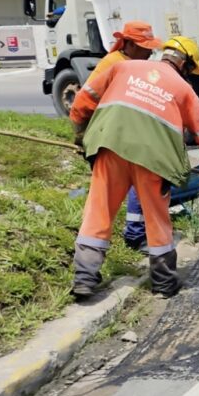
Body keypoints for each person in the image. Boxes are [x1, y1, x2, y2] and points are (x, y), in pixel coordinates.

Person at [69, 36, 199, 298]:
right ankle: (163, 283)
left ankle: (84, 278)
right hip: (154, 159)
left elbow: (84, 99)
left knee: (98, 211)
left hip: (110, 147)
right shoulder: (183, 89)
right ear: (183, 63)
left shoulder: (123, 68)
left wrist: (81, 133)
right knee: (157, 219)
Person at [85, 21, 164, 251]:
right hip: (113, 138)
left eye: (151, 46)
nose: (149, 51)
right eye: (144, 46)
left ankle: (136, 234)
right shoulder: (113, 64)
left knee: (137, 187)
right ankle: (130, 237)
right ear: (128, 44)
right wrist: (84, 137)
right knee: (108, 199)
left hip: (131, 136)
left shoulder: (136, 64)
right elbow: (88, 98)